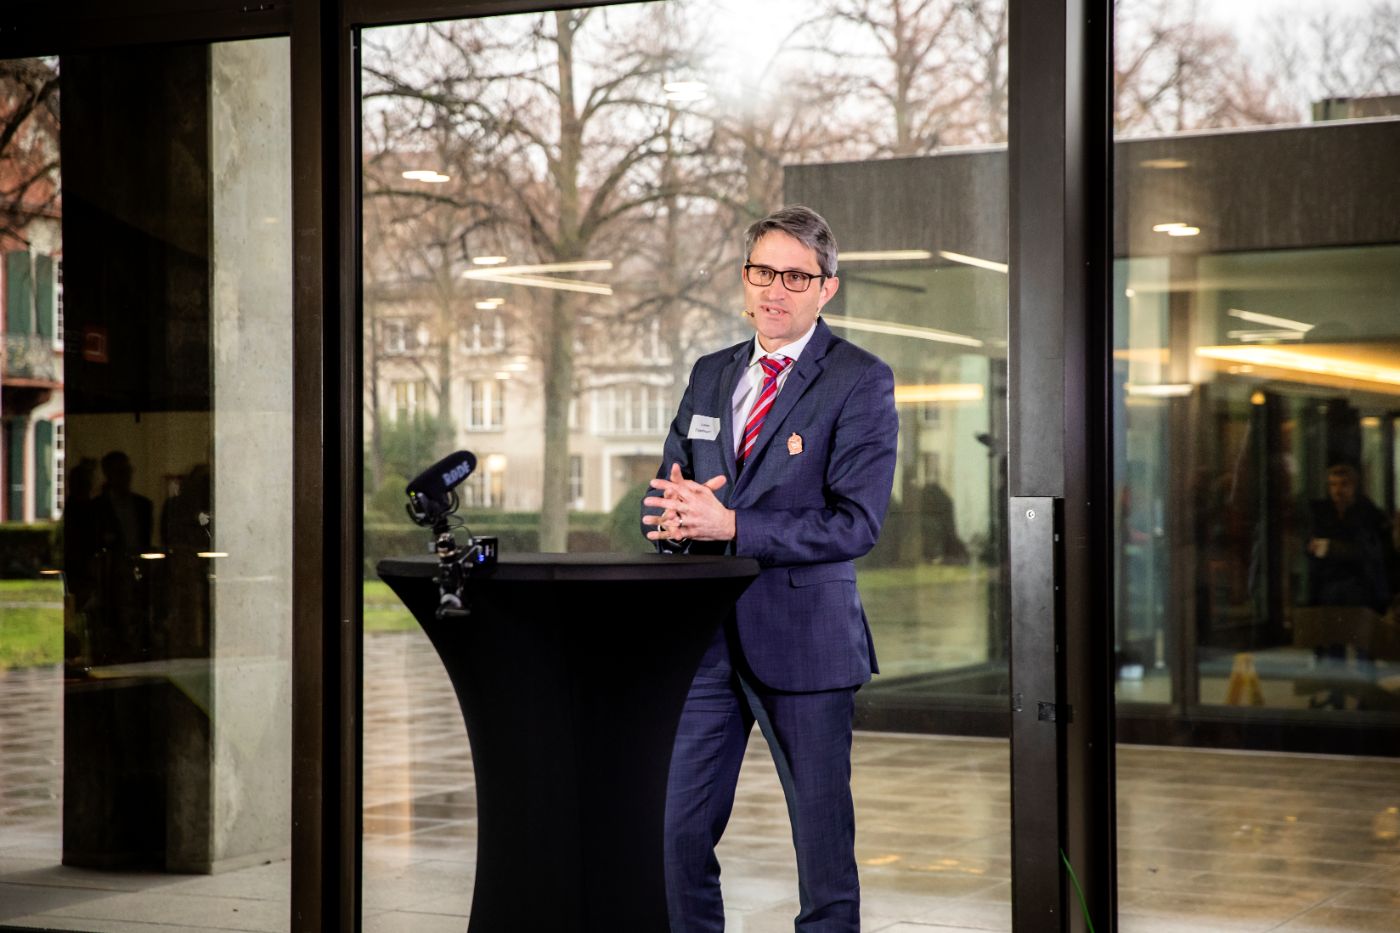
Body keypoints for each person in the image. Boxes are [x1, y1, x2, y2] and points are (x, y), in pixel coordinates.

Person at [641, 205, 899, 932]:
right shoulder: (711, 373)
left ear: (827, 288)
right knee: (674, 835)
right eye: (763, 272)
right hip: (705, 644)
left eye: (795, 276)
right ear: (745, 278)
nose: (775, 289)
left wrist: (732, 525)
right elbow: (669, 487)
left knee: (823, 857)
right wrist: (669, 522)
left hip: (806, 643)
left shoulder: (859, 379)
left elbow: (856, 523)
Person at [1302, 461, 1393, 707]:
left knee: (1362, 646)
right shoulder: (1323, 513)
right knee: (1334, 644)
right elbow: (1310, 544)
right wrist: (1312, 548)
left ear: (1353, 486)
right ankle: (1337, 694)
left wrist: (1333, 548)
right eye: (1333, 485)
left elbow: (1372, 553)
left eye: (1343, 485)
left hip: (1360, 588)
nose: (1337, 491)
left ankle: (1364, 696)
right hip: (1331, 587)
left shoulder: (1367, 514)